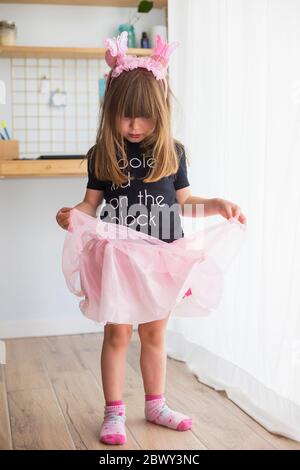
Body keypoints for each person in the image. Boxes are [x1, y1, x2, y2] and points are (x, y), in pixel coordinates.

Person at [56, 32, 247, 446]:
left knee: (155, 334)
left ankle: (156, 404)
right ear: (110, 113)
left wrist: (214, 203)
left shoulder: (172, 153)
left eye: (144, 116)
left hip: (162, 258)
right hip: (120, 261)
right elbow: (91, 204)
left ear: (161, 111)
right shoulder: (103, 154)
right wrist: (75, 214)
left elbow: (185, 201)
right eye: (126, 116)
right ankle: (114, 411)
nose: (135, 126)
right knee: (118, 334)